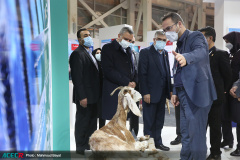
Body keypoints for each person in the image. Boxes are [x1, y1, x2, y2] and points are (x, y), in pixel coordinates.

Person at [161, 12, 217, 160]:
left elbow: (201, 52)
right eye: (164, 30)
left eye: (168, 28)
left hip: (197, 95)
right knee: (185, 134)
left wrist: (186, 57)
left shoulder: (195, 37)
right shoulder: (179, 44)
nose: (167, 33)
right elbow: (178, 71)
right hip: (183, 94)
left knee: (196, 136)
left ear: (179, 24)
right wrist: (175, 92)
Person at [199, 26, 232, 160]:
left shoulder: (220, 54)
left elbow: (228, 76)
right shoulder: (200, 55)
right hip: (201, 97)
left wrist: (223, 90)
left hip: (215, 98)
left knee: (215, 127)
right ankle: (201, 151)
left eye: (201, 38)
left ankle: (215, 153)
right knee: (201, 127)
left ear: (210, 38)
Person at [138, 30, 172, 151]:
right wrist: (145, 92)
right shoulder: (145, 52)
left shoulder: (165, 54)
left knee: (159, 120)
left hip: (162, 93)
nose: (162, 42)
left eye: (164, 40)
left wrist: (170, 91)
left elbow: (167, 73)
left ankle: (158, 142)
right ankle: (148, 144)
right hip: (150, 94)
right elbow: (142, 74)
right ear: (154, 40)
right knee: (149, 121)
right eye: (160, 39)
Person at [69, 28, 100, 155]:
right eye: (85, 35)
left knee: (92, 121)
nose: (89, 37)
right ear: (79, 39)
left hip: (94, 96)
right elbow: (77, 78)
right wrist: (82, 97)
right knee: (82, 122)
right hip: (85, 96)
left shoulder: (89, 53)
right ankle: (80, 147)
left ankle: (89, 144)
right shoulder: (77, 54)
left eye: (89, 35)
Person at [101, 27, 137, 120]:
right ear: (119, 36)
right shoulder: (108, 48)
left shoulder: (128, 50)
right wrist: (126, 82)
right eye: (126, 39)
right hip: (114, 91)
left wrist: (134, 81)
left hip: (126, 92)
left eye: (130, 40)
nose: (128, 42)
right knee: (114, 123)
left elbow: (133, 69)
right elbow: (108, 70)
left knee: (123, 121)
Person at [222, 31, 240, 156]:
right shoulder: (232, 54)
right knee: (226, 116)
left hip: (236, 91)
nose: (227, 44)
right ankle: (228, 139)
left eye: (228, 42)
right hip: (230, 90)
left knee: (238, 120)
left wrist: (236, 87)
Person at [128, 36, 140, 136]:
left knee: (135, 112)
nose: (132, 43)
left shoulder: (137, 55)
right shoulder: (122, 55)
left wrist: (135, 83)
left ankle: (134, 131)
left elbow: (138, 71)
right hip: (125, 88)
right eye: (130, 41)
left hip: (135, 88)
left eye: (133, 42)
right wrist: (128, 83)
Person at [92, 48, 106, 129]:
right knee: (94, 116)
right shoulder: (92, 65)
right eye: (97, 53)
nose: (99, 54)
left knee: (102, 116)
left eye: (100, 53)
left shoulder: (104, 65)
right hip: (94, 94)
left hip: (103, 94)